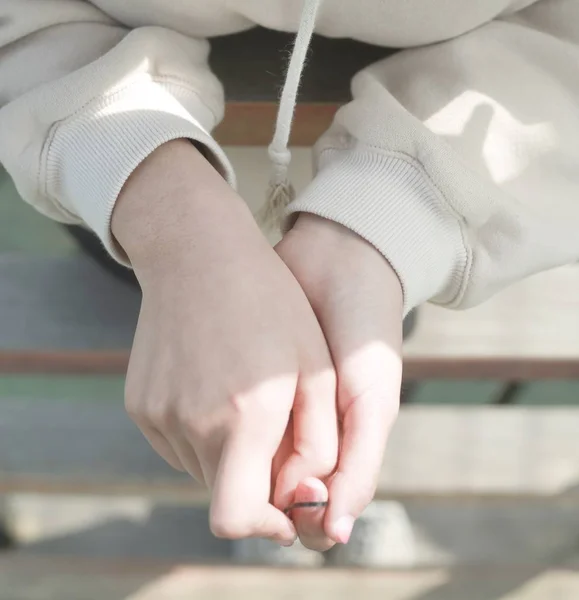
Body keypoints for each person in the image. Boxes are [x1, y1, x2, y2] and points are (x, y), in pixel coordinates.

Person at [1, 0, 578, 553]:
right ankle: (285, 471)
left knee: (363, 331)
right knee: (177, 316)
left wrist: (387, 224)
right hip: (114, 162)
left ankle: (294, 469)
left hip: (433, 165)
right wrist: (168, 220)